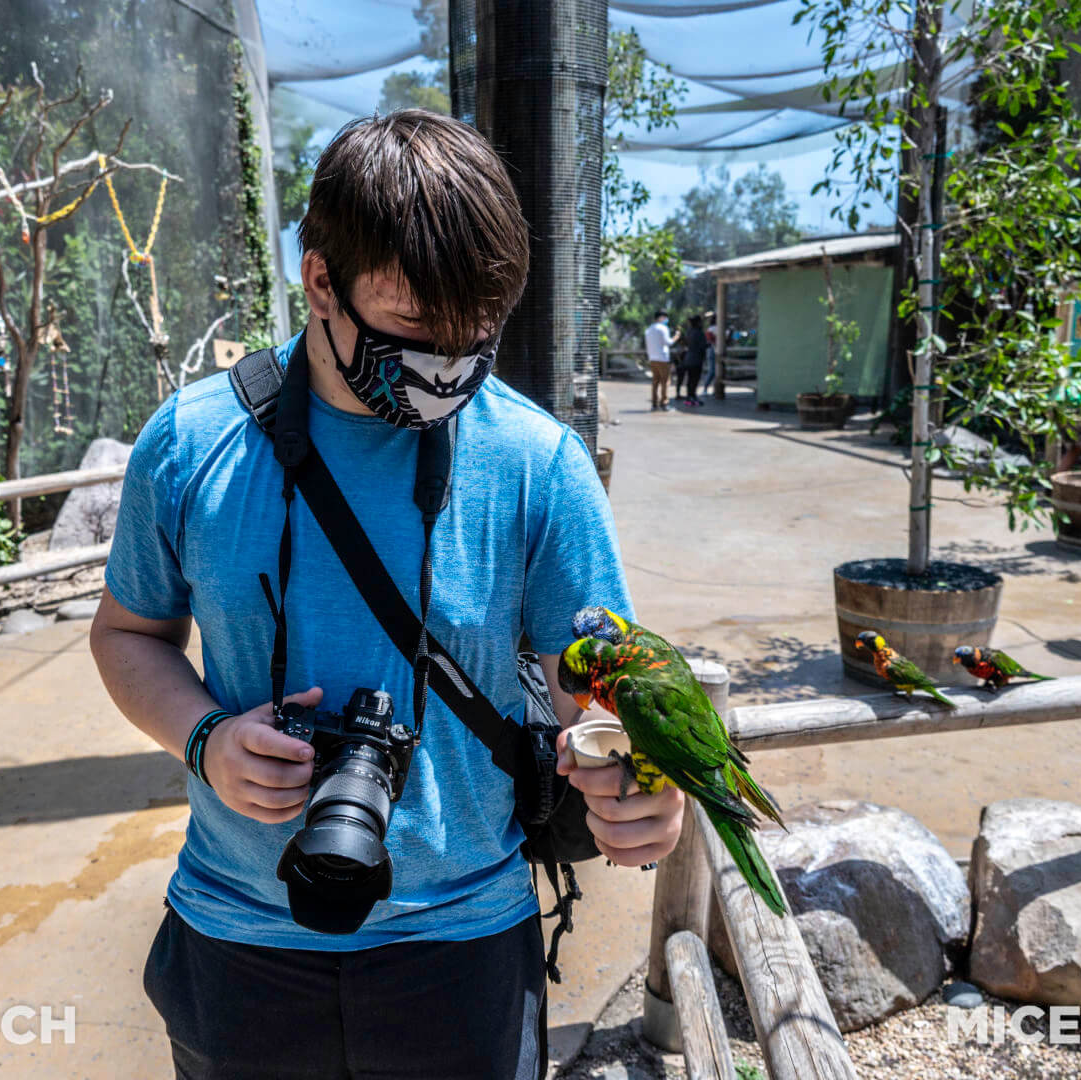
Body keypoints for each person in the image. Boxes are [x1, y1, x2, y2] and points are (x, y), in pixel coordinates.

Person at [88, 109, 685, 1080]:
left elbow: (603, 706)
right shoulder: (191, 445)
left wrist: (645, 793)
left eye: (476, 333)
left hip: (462, 951)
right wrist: (204, 736)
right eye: (414, 326)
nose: (450, 364)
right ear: (320, 280)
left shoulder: (538, 465)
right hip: (240, 939)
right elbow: (127, 635)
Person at [644, 309, 675, 410]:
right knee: (665, 381)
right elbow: (668, 342)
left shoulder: (649, 329)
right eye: (665, 317)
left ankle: (654, 402)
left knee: (655, 381)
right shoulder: (663, 328)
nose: (666, 319)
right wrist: (676, 337)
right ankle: (664, 402)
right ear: (661, 317)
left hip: (652, 358)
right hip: (663, 358)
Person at [680, 314, 707, 406]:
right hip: (696, 359)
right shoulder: (699, 333)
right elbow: (702, 346)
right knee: (694, 380)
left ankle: (689, 397)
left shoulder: (689, 331)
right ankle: (693, 397)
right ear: (698, 322)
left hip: (688, 358)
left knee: (690, 379)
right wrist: (708, 345)